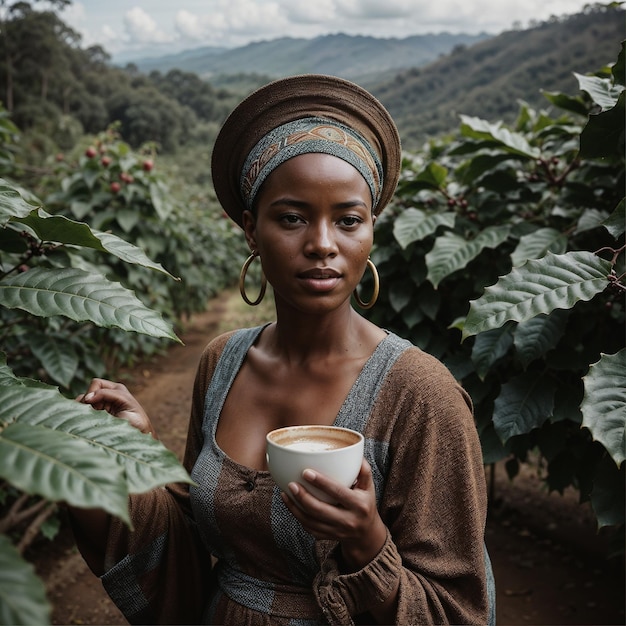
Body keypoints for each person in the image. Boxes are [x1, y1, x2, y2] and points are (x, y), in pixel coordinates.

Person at [71, 74, 496, 625]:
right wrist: (134, 456)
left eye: (348, 220)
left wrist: (367, 544)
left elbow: (458, 610)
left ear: (370, 233)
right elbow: (191, 546)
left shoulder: (422, 396)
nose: (322, 244)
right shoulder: (222, 365)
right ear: (251, 230)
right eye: (292, 218)